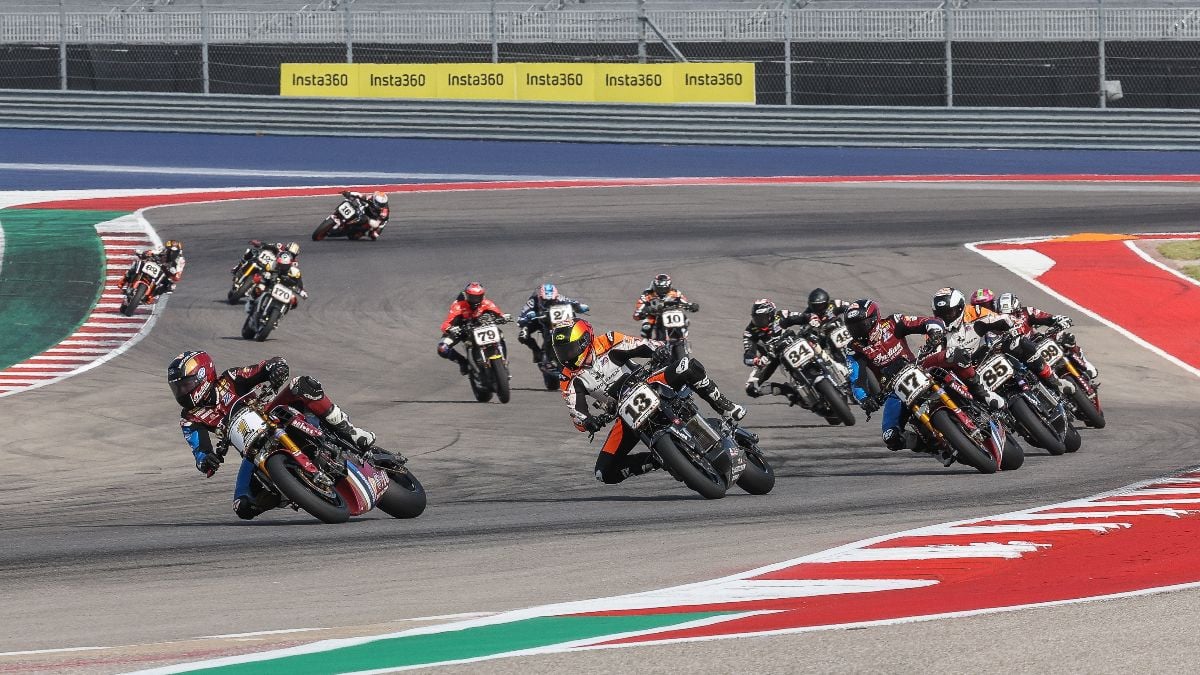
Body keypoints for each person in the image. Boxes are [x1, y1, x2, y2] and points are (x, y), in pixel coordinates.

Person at [167, 351, 378, 520]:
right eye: (177, 388)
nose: (182, 392)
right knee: (243, 507)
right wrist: (206, 460)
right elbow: (199, 449)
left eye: (186, 384)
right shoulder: (191, 418)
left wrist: (275, 368)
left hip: (272, 415)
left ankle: (351, 433)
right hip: (253, 449)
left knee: (302, 384)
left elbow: (262, 368)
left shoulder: (230, 379)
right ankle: (290, 491)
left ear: (204, 376)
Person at [552, 318, 745, 484]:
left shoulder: (608, 341)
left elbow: (640, 344)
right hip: (623, 413)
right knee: (604, 472)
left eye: (569, 349)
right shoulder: (568, 377)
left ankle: (724, 405)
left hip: (648, 382)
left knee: (686, 366)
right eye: (561, 351)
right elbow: (576, 410)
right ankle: (658, 460)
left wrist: (657, 350)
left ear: (585, 340)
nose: (566, 356)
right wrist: (587, 421)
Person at [843, 299, 948, 458]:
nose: (858, 331)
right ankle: (932, 449)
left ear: (874, 320)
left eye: (861, 325)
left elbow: (928, 321)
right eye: (853, 328)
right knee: (890, 437)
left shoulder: (893, 322)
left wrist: (935, 332)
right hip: (895, 390)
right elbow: (856, 379)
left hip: (920, 369)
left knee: (954, 359)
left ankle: (982, 395)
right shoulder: (854, 349)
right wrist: (865, 400)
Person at [931, 287, 1073, 396]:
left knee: (1018, 343)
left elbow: (999, 319)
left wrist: (1014, 326)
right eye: (942, 314)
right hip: (969, 370)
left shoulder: (976, 312)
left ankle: (1053, 380)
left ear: (961, 307)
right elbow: (935, 356)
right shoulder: (936, 330)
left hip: (990, 352)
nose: (947, 317)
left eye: (950, 312)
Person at [993, 291, 1098, 380]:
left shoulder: (1027, 312)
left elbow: (1047, 317)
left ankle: (1085, 363)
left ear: (1018, 309)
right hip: (1024, 357)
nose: (1010, 318)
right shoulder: (996, 328)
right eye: (1005, 315)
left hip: (1038, 342)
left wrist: (1059, 320)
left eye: (1012, 314)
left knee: (1064, 337)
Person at [741, 297, 812, 402]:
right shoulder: (750, 332)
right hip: (772, 356)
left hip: (793, 343)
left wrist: (812, 318)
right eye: (756, 318)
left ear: (771, 315)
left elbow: (801, 317)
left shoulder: (781, 316)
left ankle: (833, 363)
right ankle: (785, 390)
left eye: (762, 318)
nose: (759, 322)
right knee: (751, 388)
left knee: (816, 338)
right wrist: (756, 360)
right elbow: (748, 355)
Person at [438, 282, 507, 375]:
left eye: (478, 297)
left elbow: (499, 313)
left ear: (483, 296)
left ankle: (503, 361)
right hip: (462, 330)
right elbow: (446, 323)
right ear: (467, 296)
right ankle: (463, 363)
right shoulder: (458, 306)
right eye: (472, 297)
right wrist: (450, 329)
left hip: (483, 328)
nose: (475, 300)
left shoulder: (487, 303)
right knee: (442, 348)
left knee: (500, 335)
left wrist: (504, 317)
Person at [516, 283, 589, 363]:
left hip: (559, 320)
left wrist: (579, 307)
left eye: (552, 301)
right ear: (540, 298)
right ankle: (536, 351)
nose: (549, 304)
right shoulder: (533, 301)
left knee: (579, 326)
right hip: (540, 321)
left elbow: (572, 302)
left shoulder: (560, 297)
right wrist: (528, 317)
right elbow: (520, 319)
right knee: (523, 334)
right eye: (546, 301)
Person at [632, 274, 697, 339]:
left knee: (684, 319)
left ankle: (683, 336)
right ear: (654, 286)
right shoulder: (647, 294)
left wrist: (691, 306)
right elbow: (639, 307)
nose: (662, 291)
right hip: (654, 315)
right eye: (659, 289)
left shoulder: (675, 293)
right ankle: (648, 345)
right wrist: (641, 312)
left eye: (664, 289)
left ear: (669, 286)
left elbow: (684, 302)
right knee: (646, 328)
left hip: (671, 313)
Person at [247, 242, 306, 309]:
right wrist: (260, 244)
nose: (289, 255)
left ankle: (282, 309)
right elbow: (269, 245)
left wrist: (300, 289)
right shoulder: (280, 246)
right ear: (285, 248)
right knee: (260, 284)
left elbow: (295, 275)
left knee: (292, 300)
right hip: (271, 266)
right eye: (288, 252)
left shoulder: (294, 263)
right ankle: (251, 300)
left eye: (292, 254)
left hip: (281, 277)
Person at [121, 239, 185, 296]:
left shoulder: (181, 260)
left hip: (164, 272)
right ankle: (123, 281)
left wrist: (175, 274)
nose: (171, 253)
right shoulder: (162, 250)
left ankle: (151, 296)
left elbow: (178, 274)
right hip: (154, 265)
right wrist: (145, 253)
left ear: (179, 252)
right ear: (166, 248)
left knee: (171, 286)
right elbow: (152, 252)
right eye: (169, 250)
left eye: (174, 252)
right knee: (137, 263)